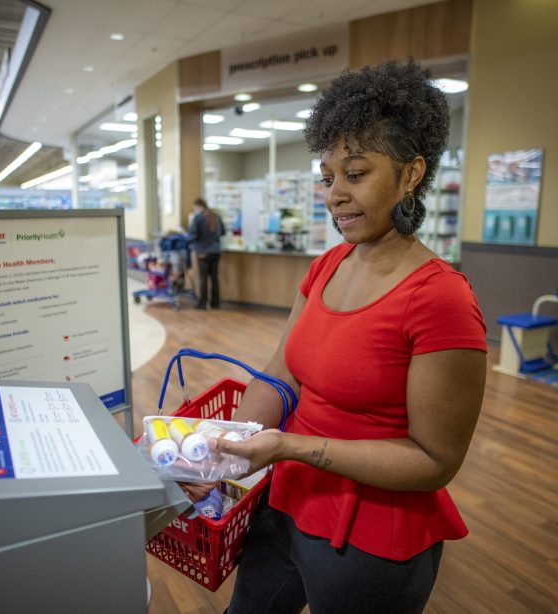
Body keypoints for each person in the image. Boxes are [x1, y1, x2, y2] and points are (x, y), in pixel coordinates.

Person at [187, 60, 488, 613]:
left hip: (373, 541)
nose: (334, 195)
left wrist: (292, 447)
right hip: (287, 503)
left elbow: (434, 459)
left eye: (356, 174)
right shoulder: (326, 267)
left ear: (411, 173)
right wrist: (225, 454)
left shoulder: (442, 299)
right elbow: (280, 374)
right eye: (327, 177)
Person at [188, 197, 225, 309]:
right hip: (216, 251)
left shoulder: (198, 218)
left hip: (203, 252)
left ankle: (202, 303)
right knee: (214, 277)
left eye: (194, 207)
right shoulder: (216, 216)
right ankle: (215, 302)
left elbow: (193, 235)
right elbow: (223, 232)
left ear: (199, 206)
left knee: (203, 278)